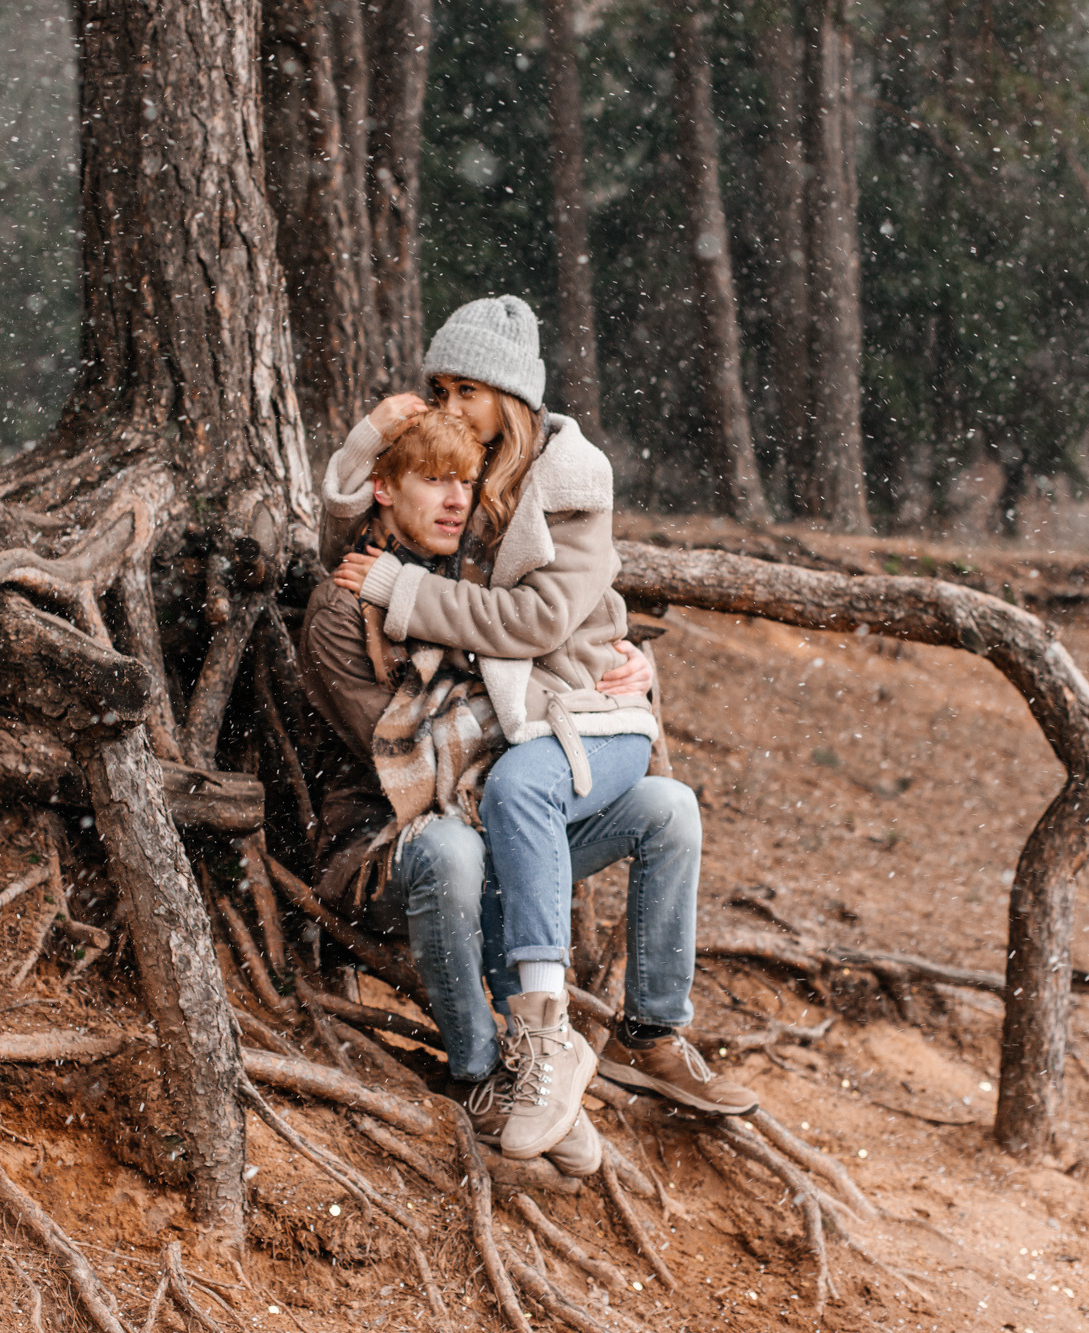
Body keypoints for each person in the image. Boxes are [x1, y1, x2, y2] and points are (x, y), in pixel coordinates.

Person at [302, 295, 756, 1168]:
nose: (453, 492)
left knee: (663, 808)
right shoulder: (354, 594)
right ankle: (487, 1069)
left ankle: (640, 1034)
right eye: (431, 476)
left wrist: (604, 670)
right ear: (387, 491)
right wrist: (367, 440)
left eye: (462, 394)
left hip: (502, 770)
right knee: (468, 837)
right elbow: (413, 757)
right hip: (393, 824)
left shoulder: (527, 500)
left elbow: (538, 624)